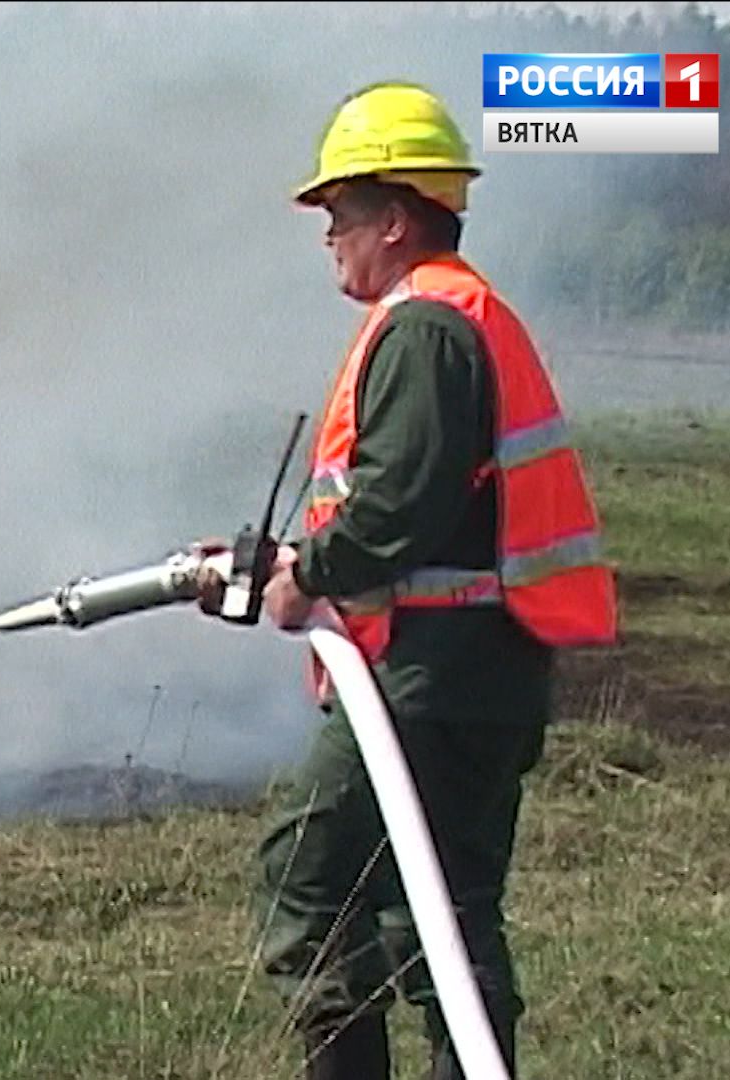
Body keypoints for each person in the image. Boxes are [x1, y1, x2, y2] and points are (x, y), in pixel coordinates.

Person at [199, 84, 618, 1080]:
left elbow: (399, 503)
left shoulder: (427, 326)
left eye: (340, 214)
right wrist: (291, 556)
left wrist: (312, 574)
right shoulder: (460, 316)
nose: (329, 237)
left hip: (428, 674)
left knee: (306, 879)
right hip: (479, 667)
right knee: (433, 908)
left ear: (394, 217)